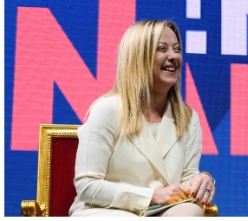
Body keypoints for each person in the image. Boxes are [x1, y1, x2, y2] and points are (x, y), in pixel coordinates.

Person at [70, 19, 215, 217]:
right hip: (105, 210)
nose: (173, 57)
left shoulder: (188, 118)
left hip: (160, 211)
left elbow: (186, 180)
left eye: (177, 49)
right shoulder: (107, 109)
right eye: (161, 49)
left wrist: (201, 181)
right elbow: (87, 186)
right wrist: (152, 196)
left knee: (190, 211)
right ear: (138, 57)